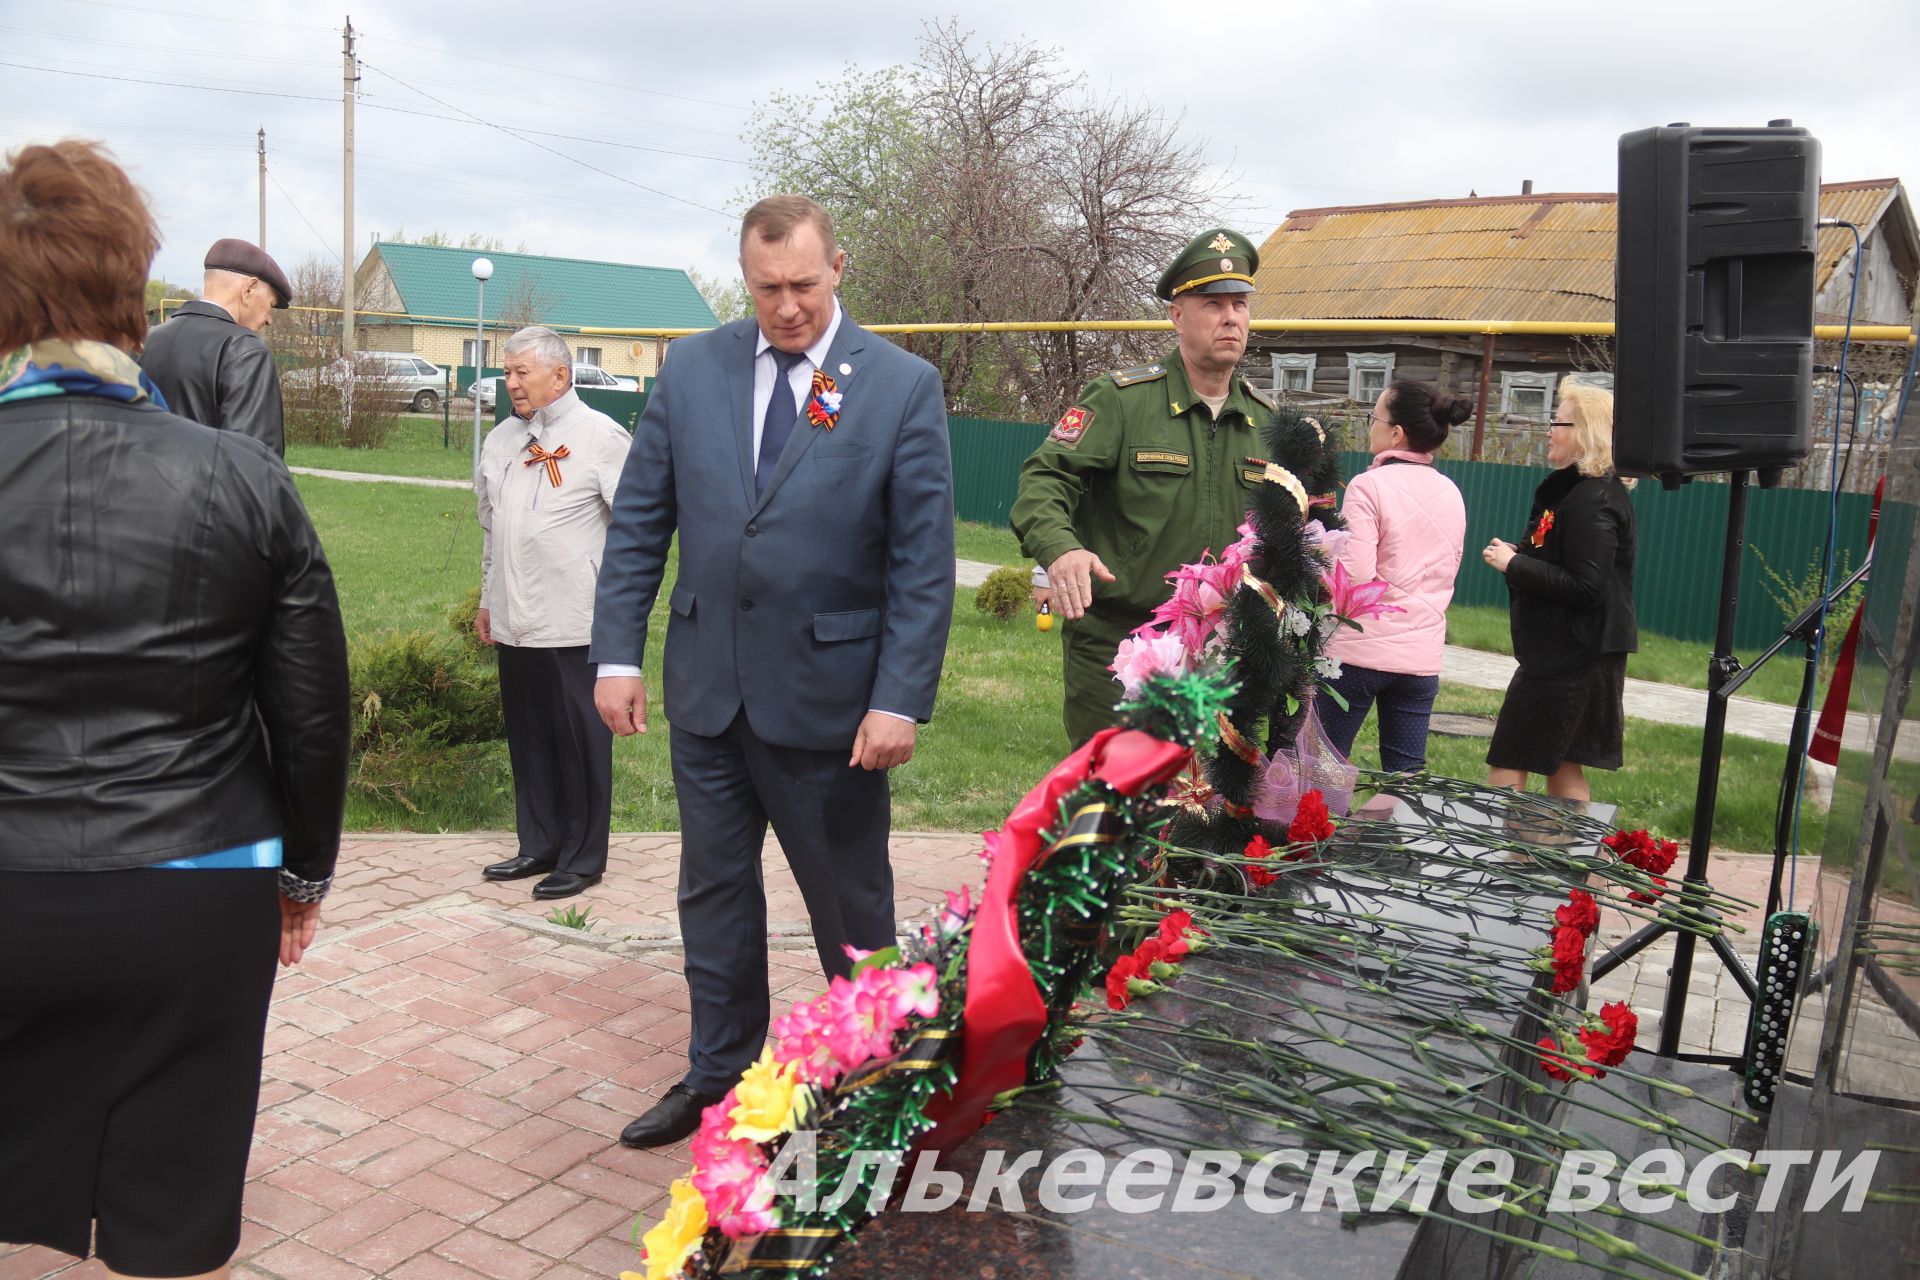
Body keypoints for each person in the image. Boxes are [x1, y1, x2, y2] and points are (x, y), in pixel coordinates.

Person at [0, 141, 350, 1280]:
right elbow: (309, 710)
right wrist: (301, 874)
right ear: (134, 292)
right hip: (193, 887)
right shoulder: (243, 478)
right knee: (177, 1210)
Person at [590, 195, 955, 1147]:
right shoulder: (694, 369)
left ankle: (879, 1080)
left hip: (833, 707)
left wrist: (899, 697)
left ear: (838, 265)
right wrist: (618, 654)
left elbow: (921, 560)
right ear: (742, 279)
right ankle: (719, 1076)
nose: (786, 306)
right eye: (766, 289)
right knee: (712, 892)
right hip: (709, 691)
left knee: (849, 901)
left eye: (802, 284)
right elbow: (640, 524)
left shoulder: (897, 384)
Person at [1011, 227, 1275, 746]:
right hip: (1120, 642)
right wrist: (1061, 550)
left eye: (1240, 305)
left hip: (1222, 650)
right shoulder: (1122, 401)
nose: (1230, 318)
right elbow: (1044, 479)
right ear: (1177, 315)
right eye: (1212, 304)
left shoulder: (1267, 424)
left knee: (1205, 814)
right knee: (1113, 805)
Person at [475, 326, 633, 900]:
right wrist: (489, 599)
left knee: (579, 739)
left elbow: (636, 534)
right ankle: (538, 843)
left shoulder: (601, 438)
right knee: (531, 735)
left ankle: (583, 856)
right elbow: (491, 530)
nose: (509, 382)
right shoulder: (499, 442)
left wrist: (620, 616)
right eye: (507, 372)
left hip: (576, 619)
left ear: (560, 375)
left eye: (521, 372)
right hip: (516, 617)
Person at [1482, 380, 1637, 800]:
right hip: (1571, 652)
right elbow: (1565, 563)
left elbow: (1587, 585)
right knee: (1562, 764)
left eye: (1559, 422)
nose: (1549, 430)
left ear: (1588, 432)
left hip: (1574, 658)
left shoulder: (1594, 499)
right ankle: (1567, 861)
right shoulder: (1579, 492)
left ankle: (1510, 858)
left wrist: (1515, 564)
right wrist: (1522, 556)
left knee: (1510, 758)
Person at [1316, 380, 1469, 772]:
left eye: (1375, 417)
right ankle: (1393, 836)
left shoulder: (1369, 486)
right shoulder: (1452, 492)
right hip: (1421, 657)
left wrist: (1316, 557)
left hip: (1358, 655)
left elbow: (1357, 577)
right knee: (1405, 776)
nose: (1371, 426)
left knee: (1324, 767)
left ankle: (1317, 835)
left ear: (1396, 433)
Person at [138, 236, 292, 455]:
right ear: (249, 289)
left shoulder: (144, 341)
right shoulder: (244, 350)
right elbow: (253, 464)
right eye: (270, 305)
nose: (269, 318)